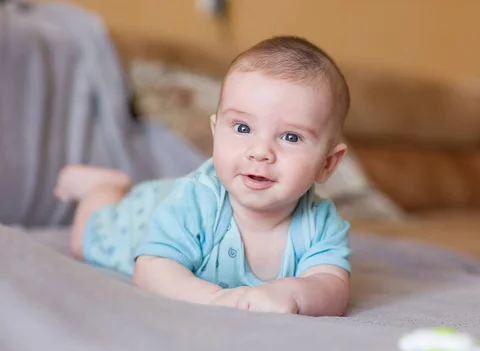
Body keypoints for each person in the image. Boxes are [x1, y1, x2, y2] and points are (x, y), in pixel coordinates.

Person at [54, 35, 352, 316]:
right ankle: (104, 186)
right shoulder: (195, 203)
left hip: (171, 197)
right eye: (242, 128)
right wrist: (217, 299)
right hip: (146, 213)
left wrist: (295, 294)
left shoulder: (319, 224)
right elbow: (150, 270)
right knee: (84, 241)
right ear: (216, 131)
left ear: (327, 163)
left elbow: (332, 286)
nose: (260, 152)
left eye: (290, 137)